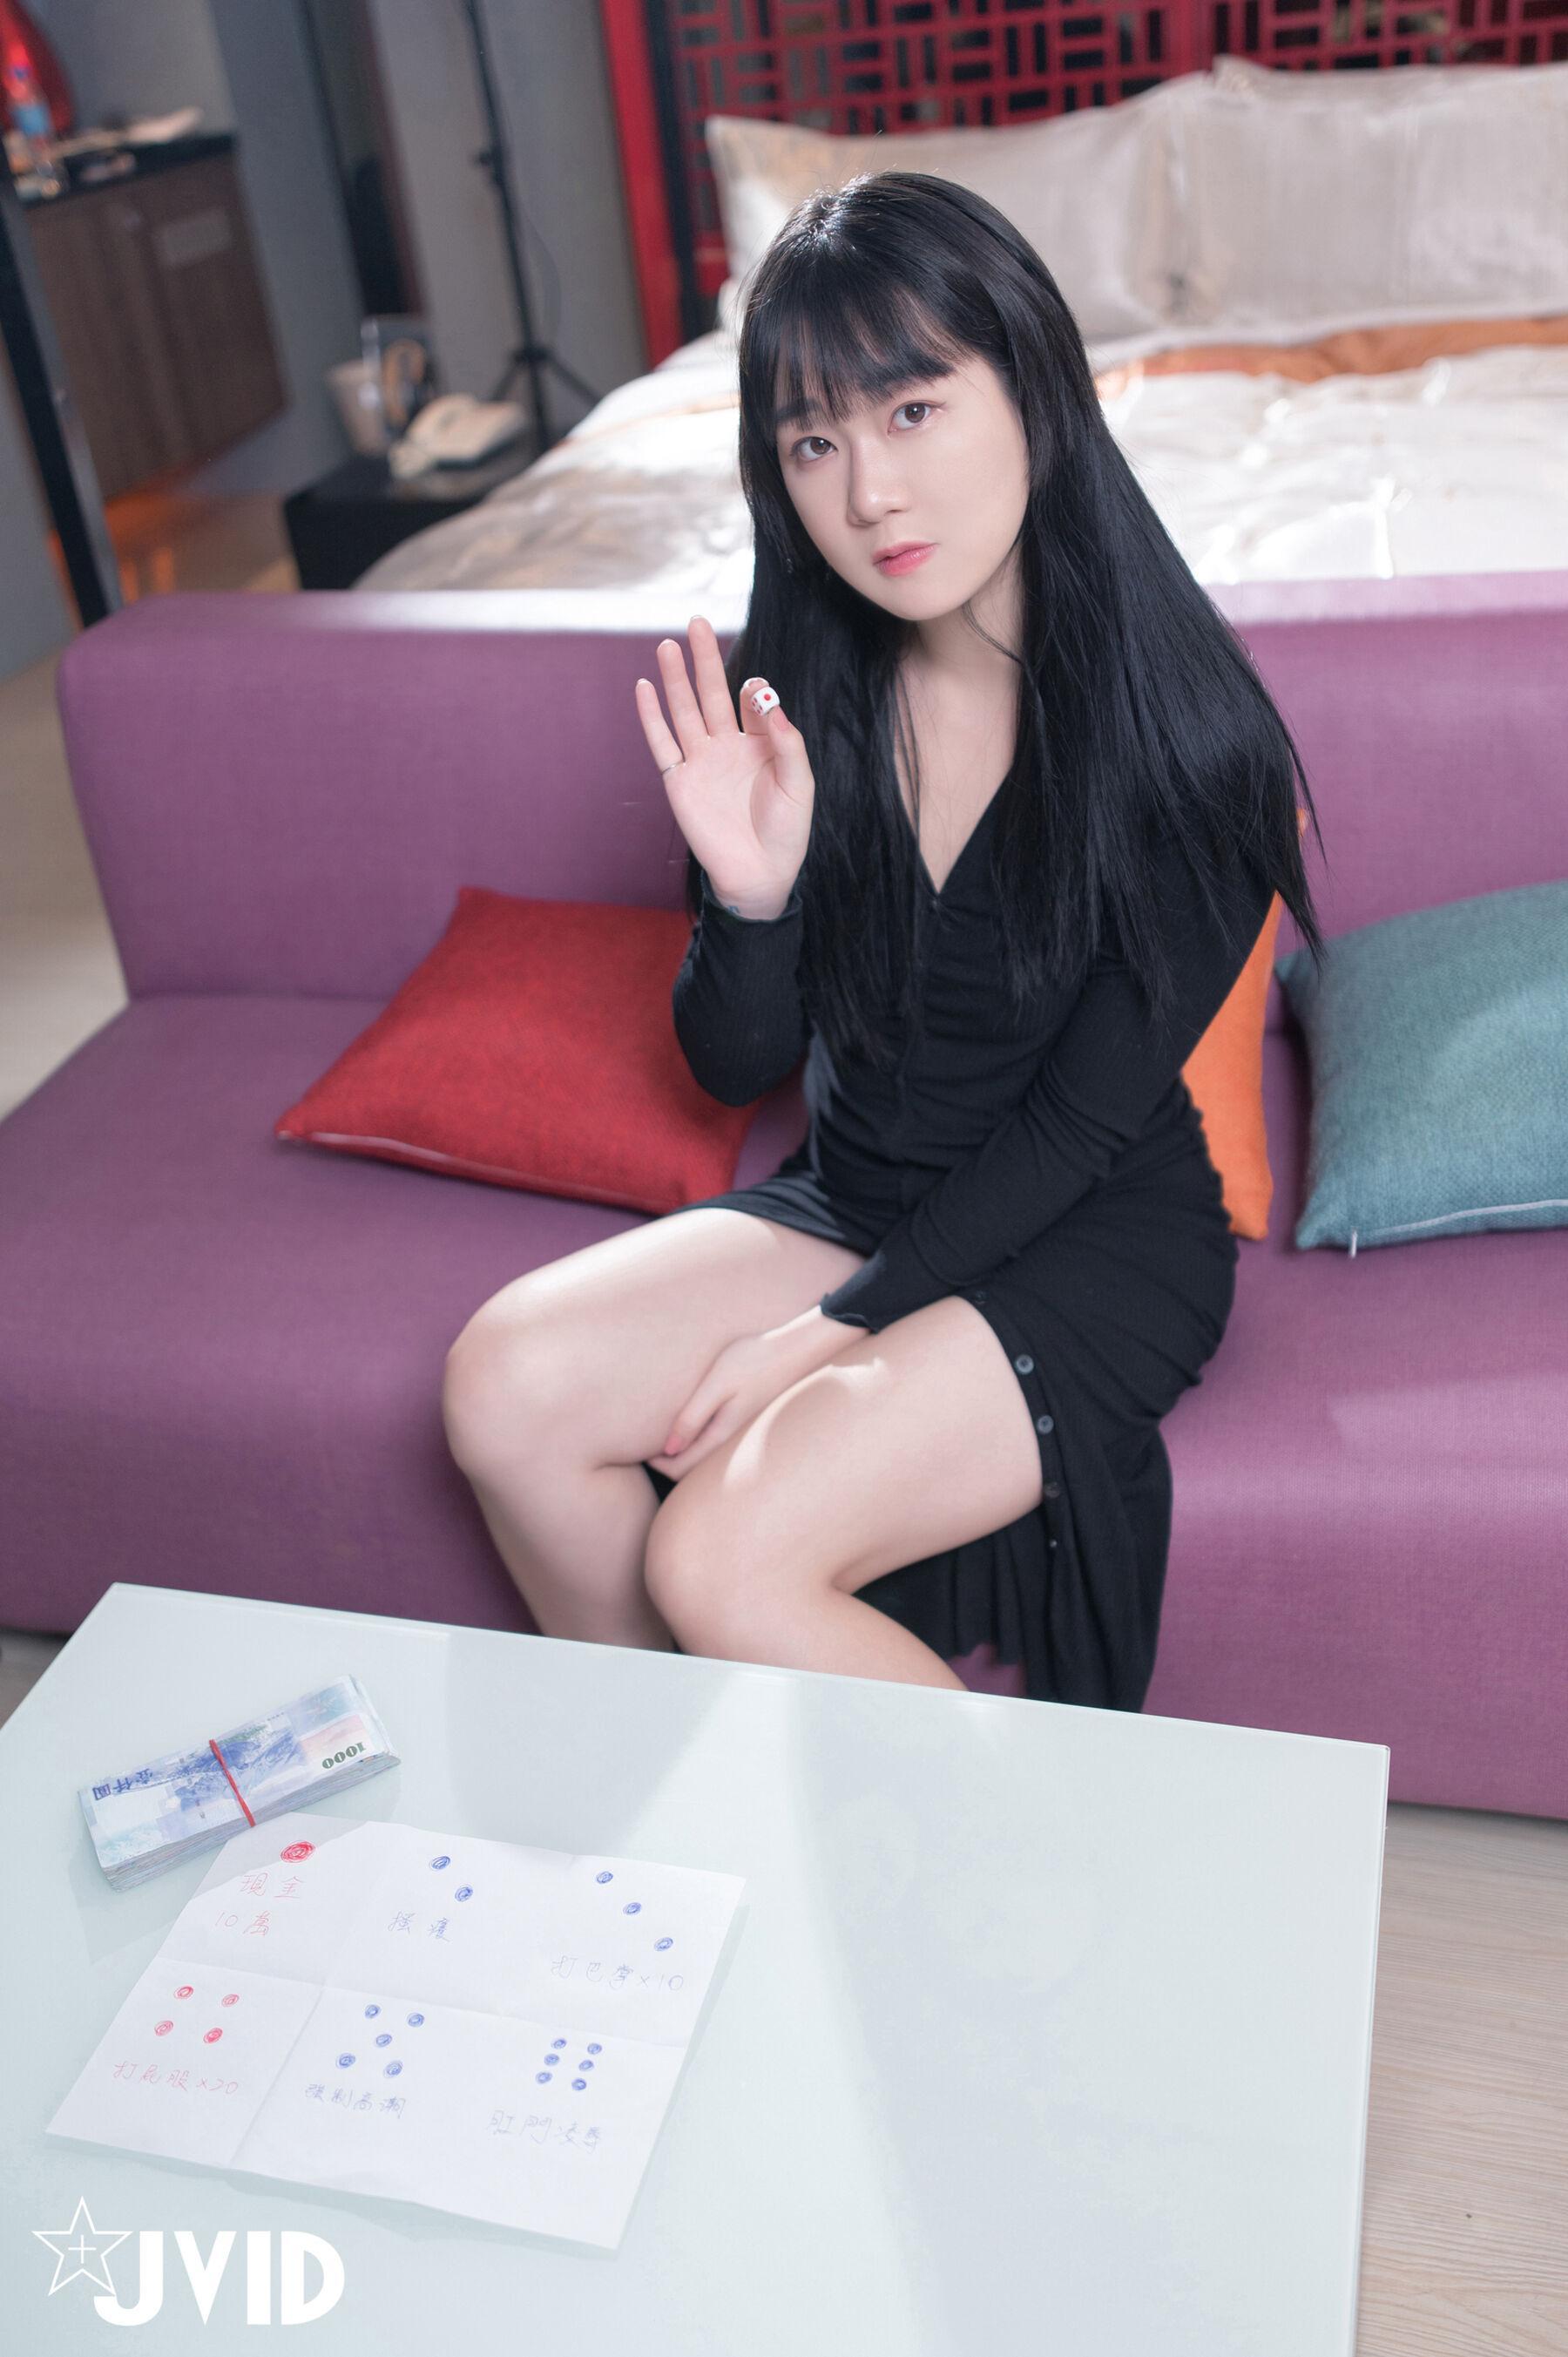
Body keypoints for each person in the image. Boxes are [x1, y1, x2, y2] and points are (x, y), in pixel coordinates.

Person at [441, 169, 1327, 1709]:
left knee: (718, 1557)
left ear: (1032, 386)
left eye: (914, 410)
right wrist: (753, 895)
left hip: (1087, 1232)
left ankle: (1018, 1848)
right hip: (856, 1190)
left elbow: (1073, 1131)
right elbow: (734, 1064)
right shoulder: (807, 683)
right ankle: (673, 1800)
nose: (869, 496)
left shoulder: (1195, 745)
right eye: (815, 442)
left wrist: (823, 1333)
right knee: (500, 1385)